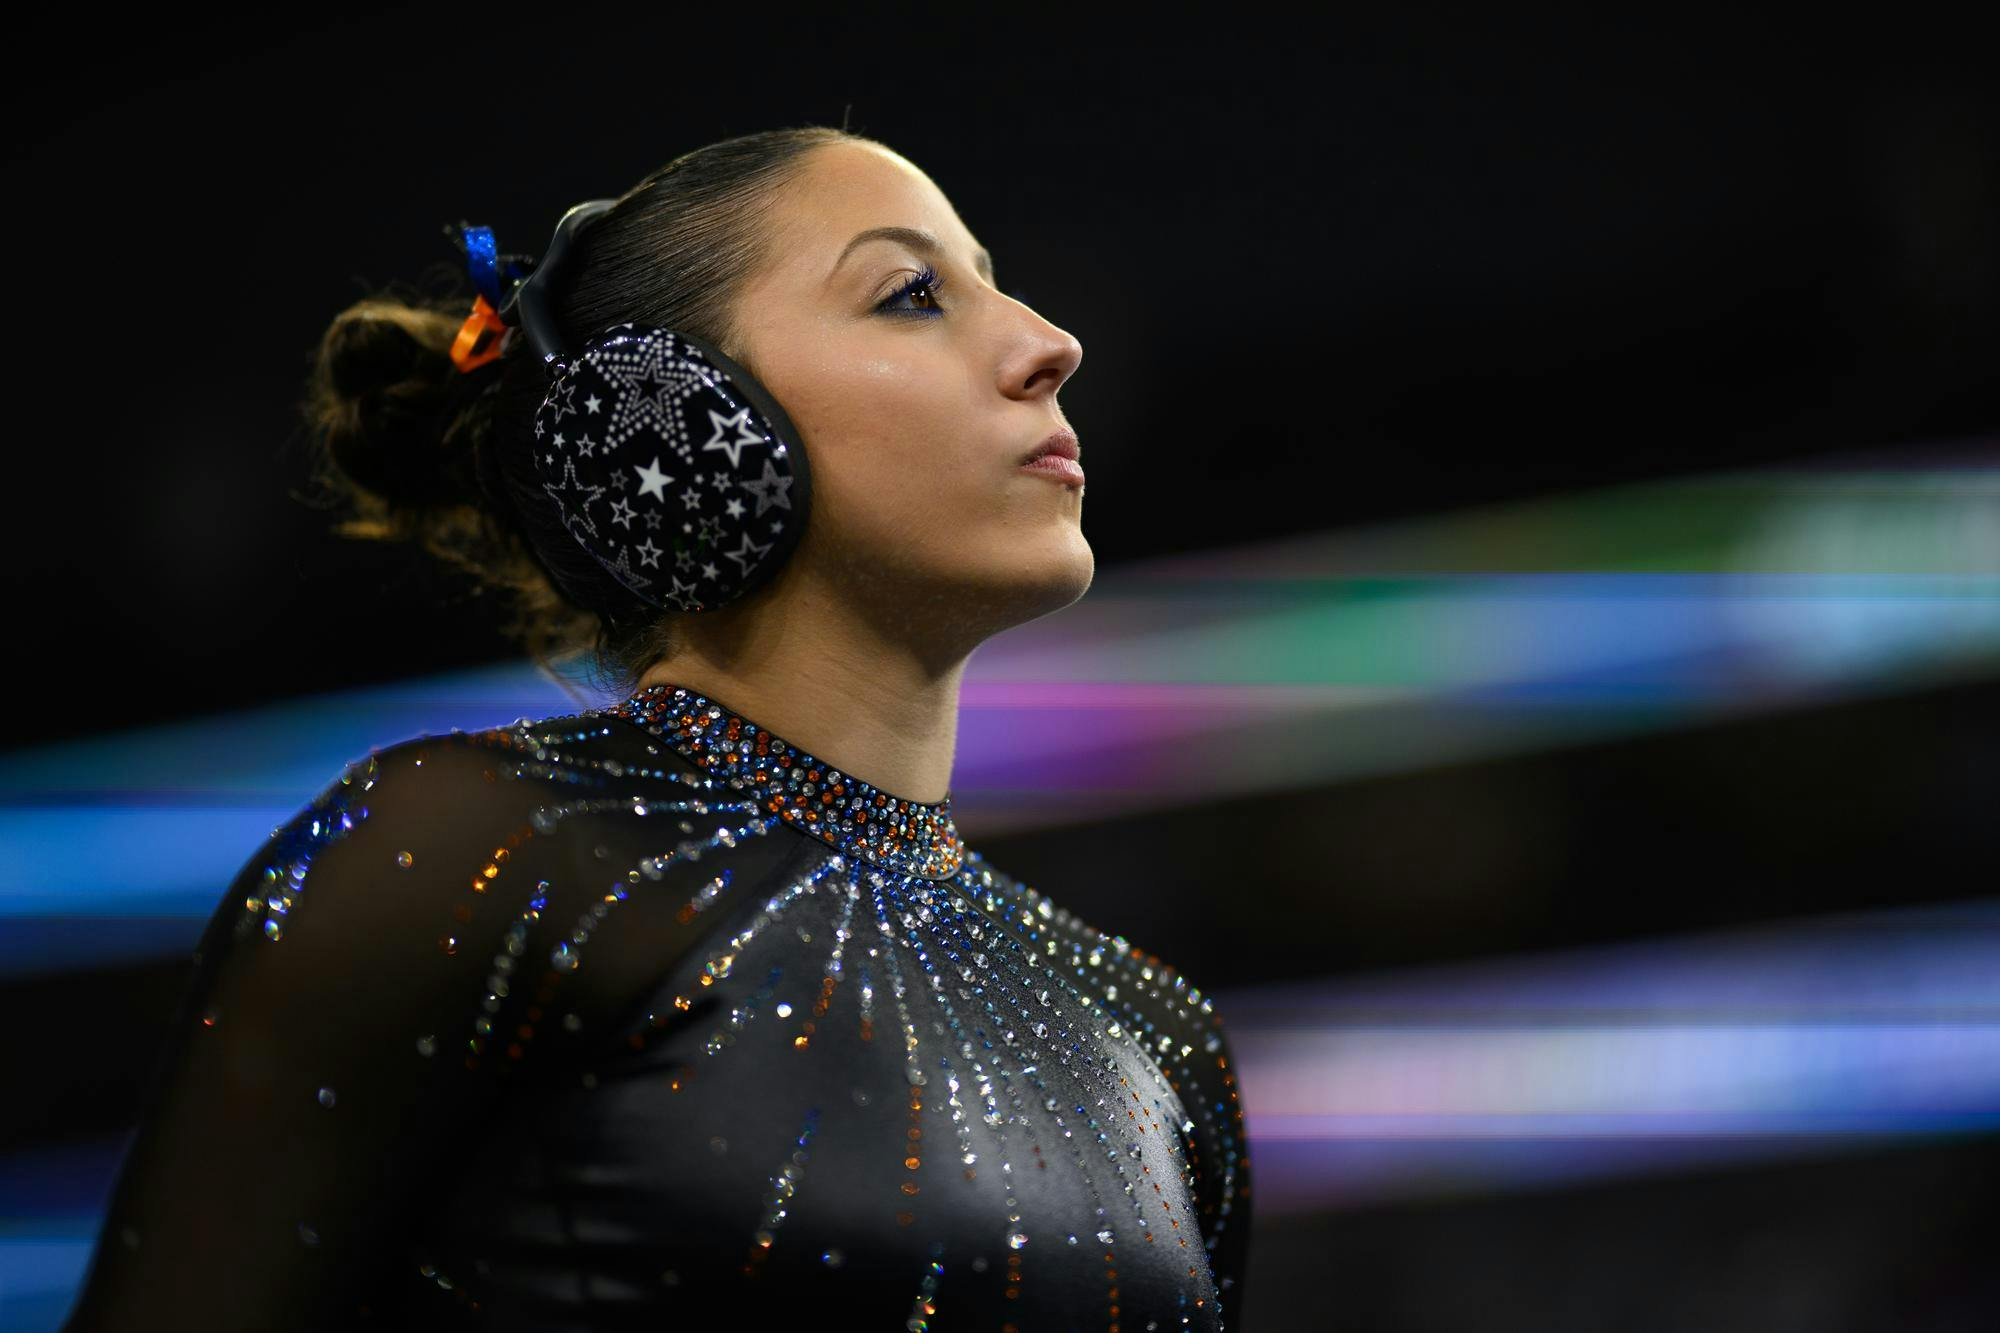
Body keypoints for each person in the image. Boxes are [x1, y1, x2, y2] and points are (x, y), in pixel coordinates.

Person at [63, 125, 1252, 1331]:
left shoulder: (1148, 1031)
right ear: (666, 420)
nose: (1049, 345)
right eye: (911, 294)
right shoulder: (470, 857)